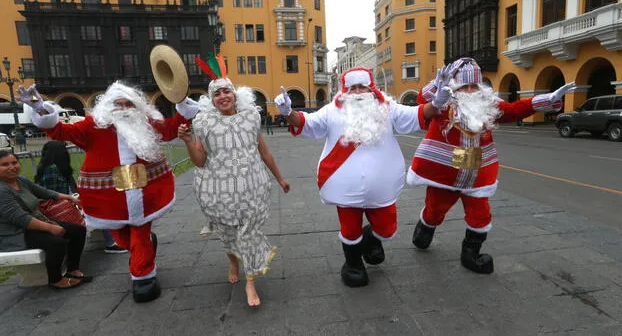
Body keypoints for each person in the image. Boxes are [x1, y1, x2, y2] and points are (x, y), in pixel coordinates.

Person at [18, 81, 199, 302]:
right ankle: (143, 249)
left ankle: (143, 278)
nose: (123, 109)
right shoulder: (92, 126)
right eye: (118, 104)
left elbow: (171, 129)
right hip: (108, 197)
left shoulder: (147, 123)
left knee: (139, 232)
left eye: (128, 104)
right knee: (123, 237)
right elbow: (59, 131)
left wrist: (183, 105)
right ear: (108, 106)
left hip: (145, 192)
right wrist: (40, 108)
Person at [407, 57, 575, 274]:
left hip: (476, 171)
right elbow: (423, 101)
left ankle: (471, 254)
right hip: (445, 170)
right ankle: (426, 227)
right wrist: (436, 86)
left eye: (473, 86)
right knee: (435, 209)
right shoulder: (442, 103)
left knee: (480, 215)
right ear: (454, 87)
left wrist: (547, 100)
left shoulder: (488, 106)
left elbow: (515, 109)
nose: (469, 90)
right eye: (464, 86)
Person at [273, 67, 434, 287]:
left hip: (382, 187)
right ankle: (352, 264)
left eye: (362, 87)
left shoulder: (387, 108)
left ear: (371, 88)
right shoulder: (332, 110)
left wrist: (437, 102)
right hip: (344, 187)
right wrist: (287, 112)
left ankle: (369, 241)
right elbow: (307, 123)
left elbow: (416, 115)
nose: (358, 92)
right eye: (353, 88)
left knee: (387, 230)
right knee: (349, 230)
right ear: (345, 90)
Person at [178, 72, 290, 307]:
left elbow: (264, 151)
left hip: (253, 187)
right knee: (228, 234)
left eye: (226, 91)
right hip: (218, 191)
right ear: (211, 100)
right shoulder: (203, 123)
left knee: (248, 233)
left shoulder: (251, 117)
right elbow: (199, 161)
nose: (222, 97)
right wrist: (188, 141)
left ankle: (250, 281)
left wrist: (279, 178)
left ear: (235, 94)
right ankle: (233, 262)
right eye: (216, 94)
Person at [0, 150, 89, 289]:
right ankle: (55, 279)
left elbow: (44, 192)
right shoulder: (2, 191)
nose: (12, 167)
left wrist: (69, 197)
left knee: (78, 230)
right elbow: (21, 218)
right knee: (56, 242)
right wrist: (51, 228)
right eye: (5, 164)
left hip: (34, 224)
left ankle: (72, 269)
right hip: (15, 233)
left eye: (14, 162)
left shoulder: (20, 180)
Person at [34, 140, 127, 254]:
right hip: (58, 208)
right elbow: (51, 194)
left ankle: (112, 241)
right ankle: (111, 243)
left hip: (64, 204)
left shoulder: (55, 167)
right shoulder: (52, 169)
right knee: (100, 209)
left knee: (100, 205)